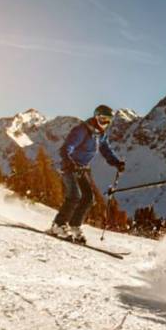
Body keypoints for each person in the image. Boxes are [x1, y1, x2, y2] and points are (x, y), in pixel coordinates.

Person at [48, 104, 126, 243]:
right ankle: (58, 225)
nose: (105, 123)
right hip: (69, 167)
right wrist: (69, 160)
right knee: (74, 196)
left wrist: (116, 162)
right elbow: (67, 147)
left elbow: (106, 150)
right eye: (103, 120)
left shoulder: (101, 135)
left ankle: (74, 225)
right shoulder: (82, 130)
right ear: (96, 118)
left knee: (89, 198)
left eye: (108, 121)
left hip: (82, 168)